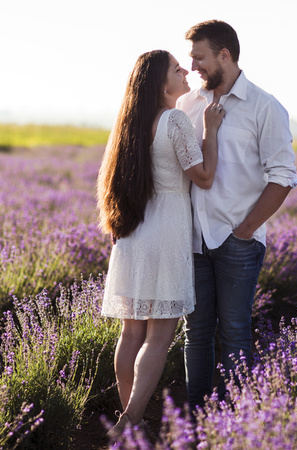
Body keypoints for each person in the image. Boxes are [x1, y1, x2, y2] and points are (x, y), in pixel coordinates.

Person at [96, 50, 225, 438]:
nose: (185, 71)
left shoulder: (129, 125)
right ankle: (130, 420)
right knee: (159, 335)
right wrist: (211, 131)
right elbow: (203, 177)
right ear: (160, 83)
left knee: (131, 334)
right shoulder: (174, 119)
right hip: (167, 233)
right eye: (176, 68)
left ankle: (128, 418)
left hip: (134, 234)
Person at [176, 20, 297, 410]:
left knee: (234, 332)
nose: (192, 65)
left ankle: (234, 419)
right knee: (195, 333)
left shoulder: (266, 107)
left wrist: (245, 232)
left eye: (199, 57)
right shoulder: (188, 105)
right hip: (193, 240)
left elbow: (283, 178)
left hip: (237, 243)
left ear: (224, 55)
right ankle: (196, 416)